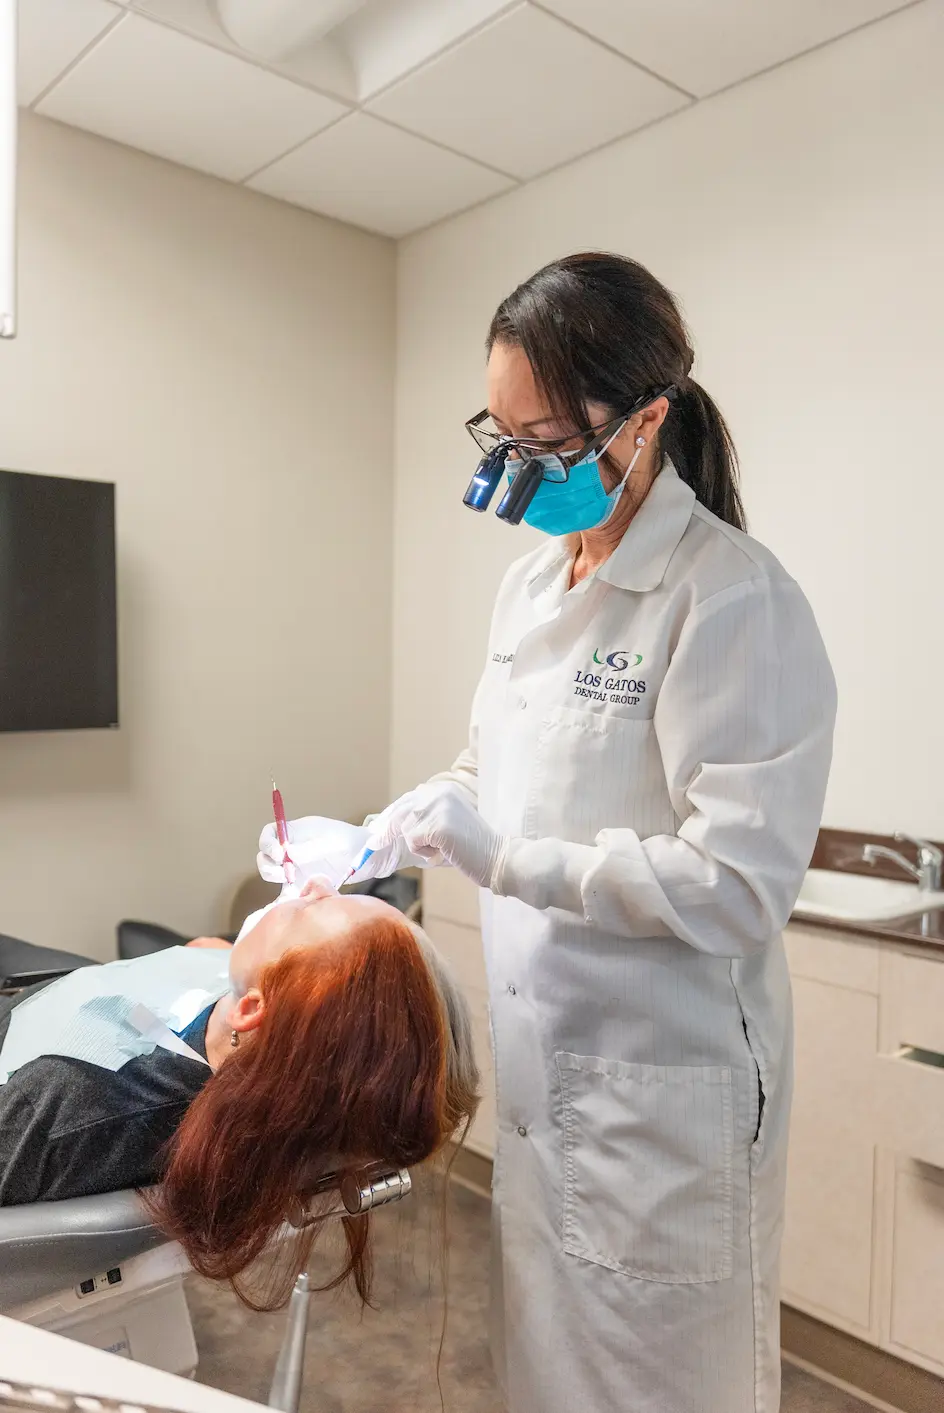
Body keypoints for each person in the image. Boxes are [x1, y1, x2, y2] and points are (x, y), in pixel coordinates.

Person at [261, 254, 837, 1411]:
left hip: (657, 1105)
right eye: (503, 439)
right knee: (547, 1380)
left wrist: (508, 862)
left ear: (647, 419)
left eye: (548, 443)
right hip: (548, 1091)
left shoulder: (726, 598)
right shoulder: (529, 591)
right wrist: (376, 838)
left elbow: (735, 883)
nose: (520, 472)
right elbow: (493, 774)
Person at [0, 880, 479, 1309]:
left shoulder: (72, 1108)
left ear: (250, 1012)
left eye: (313, 908)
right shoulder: (269, 1036)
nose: (313, 884)